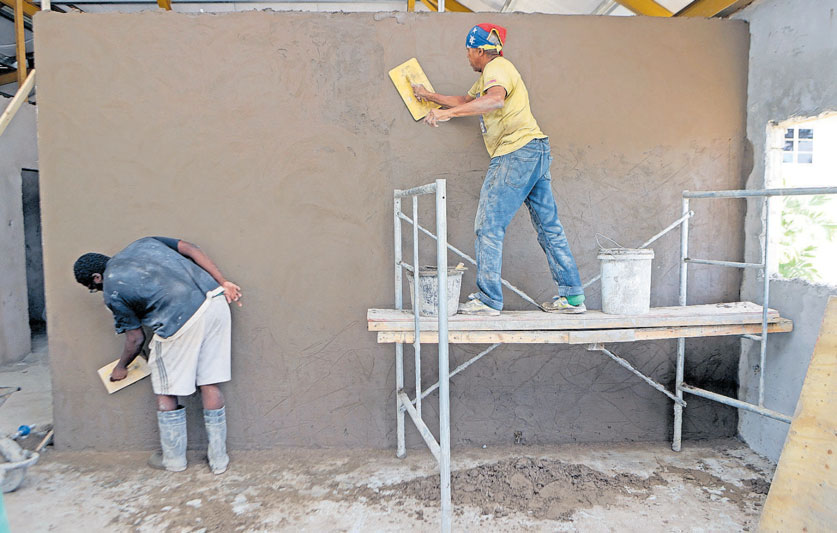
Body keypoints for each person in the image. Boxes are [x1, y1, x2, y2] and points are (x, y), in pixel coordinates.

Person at [413, 23, 586, 316]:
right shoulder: (490, 76)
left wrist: (447, 115)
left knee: (488, 225)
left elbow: (494, 100)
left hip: (515, 152)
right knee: (548, 227)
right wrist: (430, 97)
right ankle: (572, 297)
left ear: (481, 51)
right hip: (535, 150)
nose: (467, 56)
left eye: (469, 51)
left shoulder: (497, 68)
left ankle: (488, 299)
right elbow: (468, 101)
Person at [73, 236, 242, 474]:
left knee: (166, 389)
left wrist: (121, 367)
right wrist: (223, 282)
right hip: (215, 300)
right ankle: (219, 460)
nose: (98, 290)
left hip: (181, 319)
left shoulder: (112, 289)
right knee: (209, 382)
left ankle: (173, 460)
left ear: (96, 277)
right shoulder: (143, 243)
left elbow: (136, 339)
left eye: (94, 287)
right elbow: (192, 249)